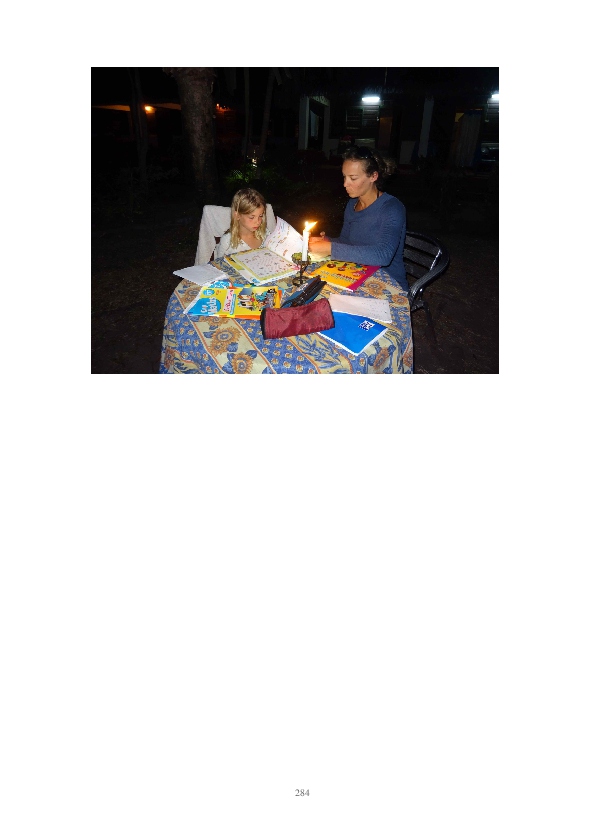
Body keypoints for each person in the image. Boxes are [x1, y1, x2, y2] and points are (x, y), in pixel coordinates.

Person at [308, 146, 408, 292]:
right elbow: (346, 241)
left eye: (353, 178)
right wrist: (326, 241)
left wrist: (330, 248)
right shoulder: (352, 204)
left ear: (373, 176)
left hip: (388, 283)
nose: (345, 184)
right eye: (344, 177)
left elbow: (383, 255)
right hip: (357, 274)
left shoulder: (392, 208)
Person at [214, 187, 269, 259]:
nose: (258, 221)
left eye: (260, 216)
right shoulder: (228, 242)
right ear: (237, 216)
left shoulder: (265, 234)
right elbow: (218, 264)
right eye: (251, 217)